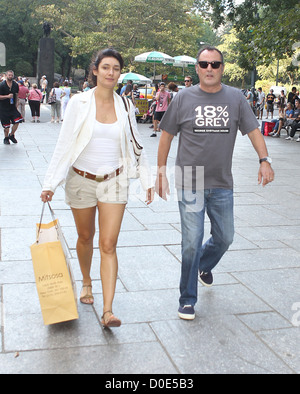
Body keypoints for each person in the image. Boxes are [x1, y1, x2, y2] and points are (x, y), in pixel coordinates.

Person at [155, 46, 274, 321]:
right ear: (197, 68)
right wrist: (160, 172)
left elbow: (254, 130)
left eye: (215, 64)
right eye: (204, 64)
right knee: (191, 241)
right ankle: (187, 299)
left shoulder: (236, 98)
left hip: (221, 181)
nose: (209, 69)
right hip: (189, 178)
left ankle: (204, 264)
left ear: (222, 67)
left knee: (225, 237)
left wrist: (264, 159)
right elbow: (166, 135)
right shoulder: (183, 98)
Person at [40, 48, 154, 328]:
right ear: (95, 70)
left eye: (115, 68)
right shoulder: (78, 103)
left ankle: (108, 311)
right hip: (80, 179)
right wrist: (50, 183)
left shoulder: (125, 106)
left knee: (108, 243)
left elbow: (137, 144)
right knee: (85, 237)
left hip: (114, 180)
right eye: (105, 67)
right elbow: (64, 144)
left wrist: (147, 179)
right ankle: (87, 281)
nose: (110, 73)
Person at [0, 70, 23, 145]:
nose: (10, 77)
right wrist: (7, 96)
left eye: (11, 75)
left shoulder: (15, 85)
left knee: (17, 120)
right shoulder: (1, 85)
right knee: (6, 126)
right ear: (6, 76)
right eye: (9, 75)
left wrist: (17, 103)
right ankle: (6, 138)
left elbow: (16, 94)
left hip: (12, 107)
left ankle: (11, 134)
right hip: (3, 107)